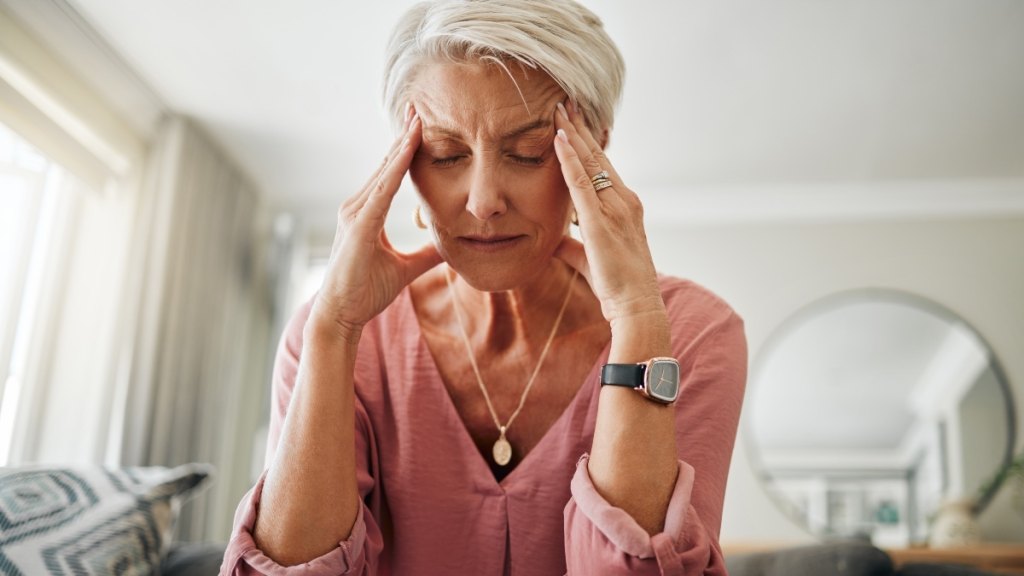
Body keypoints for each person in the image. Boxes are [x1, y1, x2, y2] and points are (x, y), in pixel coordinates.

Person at [220, 0, 746, 574]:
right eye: (446, 155)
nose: (482, 201)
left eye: (528, 152)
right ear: (406, 159)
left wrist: (638, 318)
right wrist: (333, 330)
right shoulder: (343, 336)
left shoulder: (693, 331)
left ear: (596, 151)